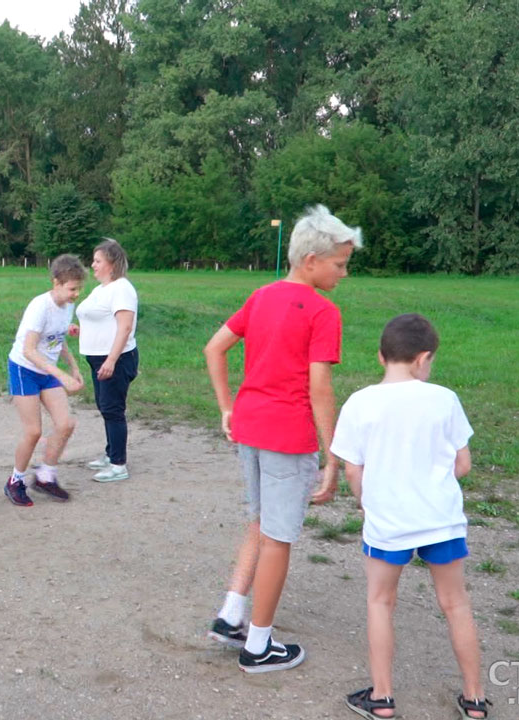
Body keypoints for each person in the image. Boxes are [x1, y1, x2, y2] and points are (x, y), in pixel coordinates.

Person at [203, 204, 361, 672]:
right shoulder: (322, 311)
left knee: (260, 523)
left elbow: (214, 347)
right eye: (340, 264)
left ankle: (231, 613)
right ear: (311, 260)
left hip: (249, 427)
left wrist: (226, 406)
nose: (343, 274)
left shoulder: (262, 295)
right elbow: (319, 387)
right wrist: (333, 457)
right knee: (278, 538)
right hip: (287, 437)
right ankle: (258, 645)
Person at [332, 314, 489, 720]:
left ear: (381, 356)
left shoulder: (360, 402)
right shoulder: (444, 398)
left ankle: (382, 698)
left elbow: (353, 469)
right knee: (455, 603)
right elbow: (463, 464)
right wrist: (429, 481)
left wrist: (368, 500)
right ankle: (474, 699)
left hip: (388, 522)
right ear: (424, 359)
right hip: (440, 518)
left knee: (380, 602)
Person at [4, 254, 86, 506]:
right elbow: (29, 350)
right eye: (72, 289)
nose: (76, 294)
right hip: (24, 368)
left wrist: (74, 367)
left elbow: (57, 340)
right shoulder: (39, 307)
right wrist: (59, 374)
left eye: (79, 289)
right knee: (33, 431)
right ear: (56, 283)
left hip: (47, 370)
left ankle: (45, 476)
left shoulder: (67, 306)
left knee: (66, 423)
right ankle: (15, 481)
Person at [76, 238, 139, 482]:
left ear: (111, 263)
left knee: (113, 409)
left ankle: (118, 464)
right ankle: (110, 452)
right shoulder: (101, 289)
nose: (92, 265)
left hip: (116, 359)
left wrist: (111, 361)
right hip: (98, 358)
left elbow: (124, 328)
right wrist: (80, 330)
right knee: (104, 405)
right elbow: (102, 321)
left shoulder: (122, 288)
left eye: (97, 261)